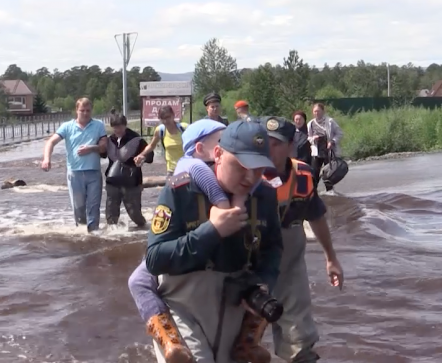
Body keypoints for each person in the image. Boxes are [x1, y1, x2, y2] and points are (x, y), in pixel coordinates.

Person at [145, 120, 283, 362]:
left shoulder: (265, 195)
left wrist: (263, 283)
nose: (250, 177)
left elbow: (273, 249)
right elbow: (155, 259)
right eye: (241, 166)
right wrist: (212, 231)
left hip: (235, 309)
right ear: (218, 154)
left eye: (259, 168)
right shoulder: (180, 190)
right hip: (184, 307)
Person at [127, 119, 228, 363]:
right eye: (221, 142)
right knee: (140, 279)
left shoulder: (194, 163)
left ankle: (168, 339)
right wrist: (224, 210)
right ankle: (169, 338)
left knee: (138, 281)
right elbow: (215, 194)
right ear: (201, 148)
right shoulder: (197, 167)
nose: (226, 148)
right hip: (182, 244)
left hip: (188, 247)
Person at [259, 116, 344, 362]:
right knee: (238, 335)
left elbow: (316, 217)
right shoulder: (248, 174)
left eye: (275, 143)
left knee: (299, 338)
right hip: (252, 260)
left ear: (290, 147)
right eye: (264, 142)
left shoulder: (303, 175)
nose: (268, 148)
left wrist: (331, 258)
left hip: (290, 262)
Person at [41, 98, 107, 233]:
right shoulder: (67, 126)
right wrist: (46, 159)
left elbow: (104, 147)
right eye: (82, 110)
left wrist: (91, 148)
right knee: (78, 208)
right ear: (76, 110)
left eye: (88, 110)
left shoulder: (98, 125)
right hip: (74, 173)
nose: (85, 113)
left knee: (93, 207)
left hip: (93, 172)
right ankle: (82, 236)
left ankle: (93, 235)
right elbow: (51, 142)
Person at [101, 113, 154, 229]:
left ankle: (145, 231)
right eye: (115, 127)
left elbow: (150, 157)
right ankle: (112, 237)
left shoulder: (136, 139)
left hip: (132, 181)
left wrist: (142, 157)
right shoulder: (109, 140)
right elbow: (102, 154)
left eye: (120, 127)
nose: (117, 130)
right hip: (112, 181)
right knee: (111, 214)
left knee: (135, 214)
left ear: (125, 125)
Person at [134, 105, 188, 176]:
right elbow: (151, 146)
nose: (165, 121)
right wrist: (141, 155)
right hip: (171, 170)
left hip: (187, 169)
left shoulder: (184, 128)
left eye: (168, 117)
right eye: (162, 118)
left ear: (173, 115)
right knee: (169, 187)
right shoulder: (160, 130)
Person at [307, 103, 343, 191]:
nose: (316, 113)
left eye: (318, 111)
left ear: (323, 111)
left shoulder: (330, 122)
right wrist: (313, 139)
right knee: (314, 173)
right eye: (315, 111)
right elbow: (308, 137)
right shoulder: (311, 123)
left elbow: (340, 133)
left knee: (329, 174)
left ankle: (330, 193)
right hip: (317, 152)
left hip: (328, 151)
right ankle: (313, 192)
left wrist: (332, 141)